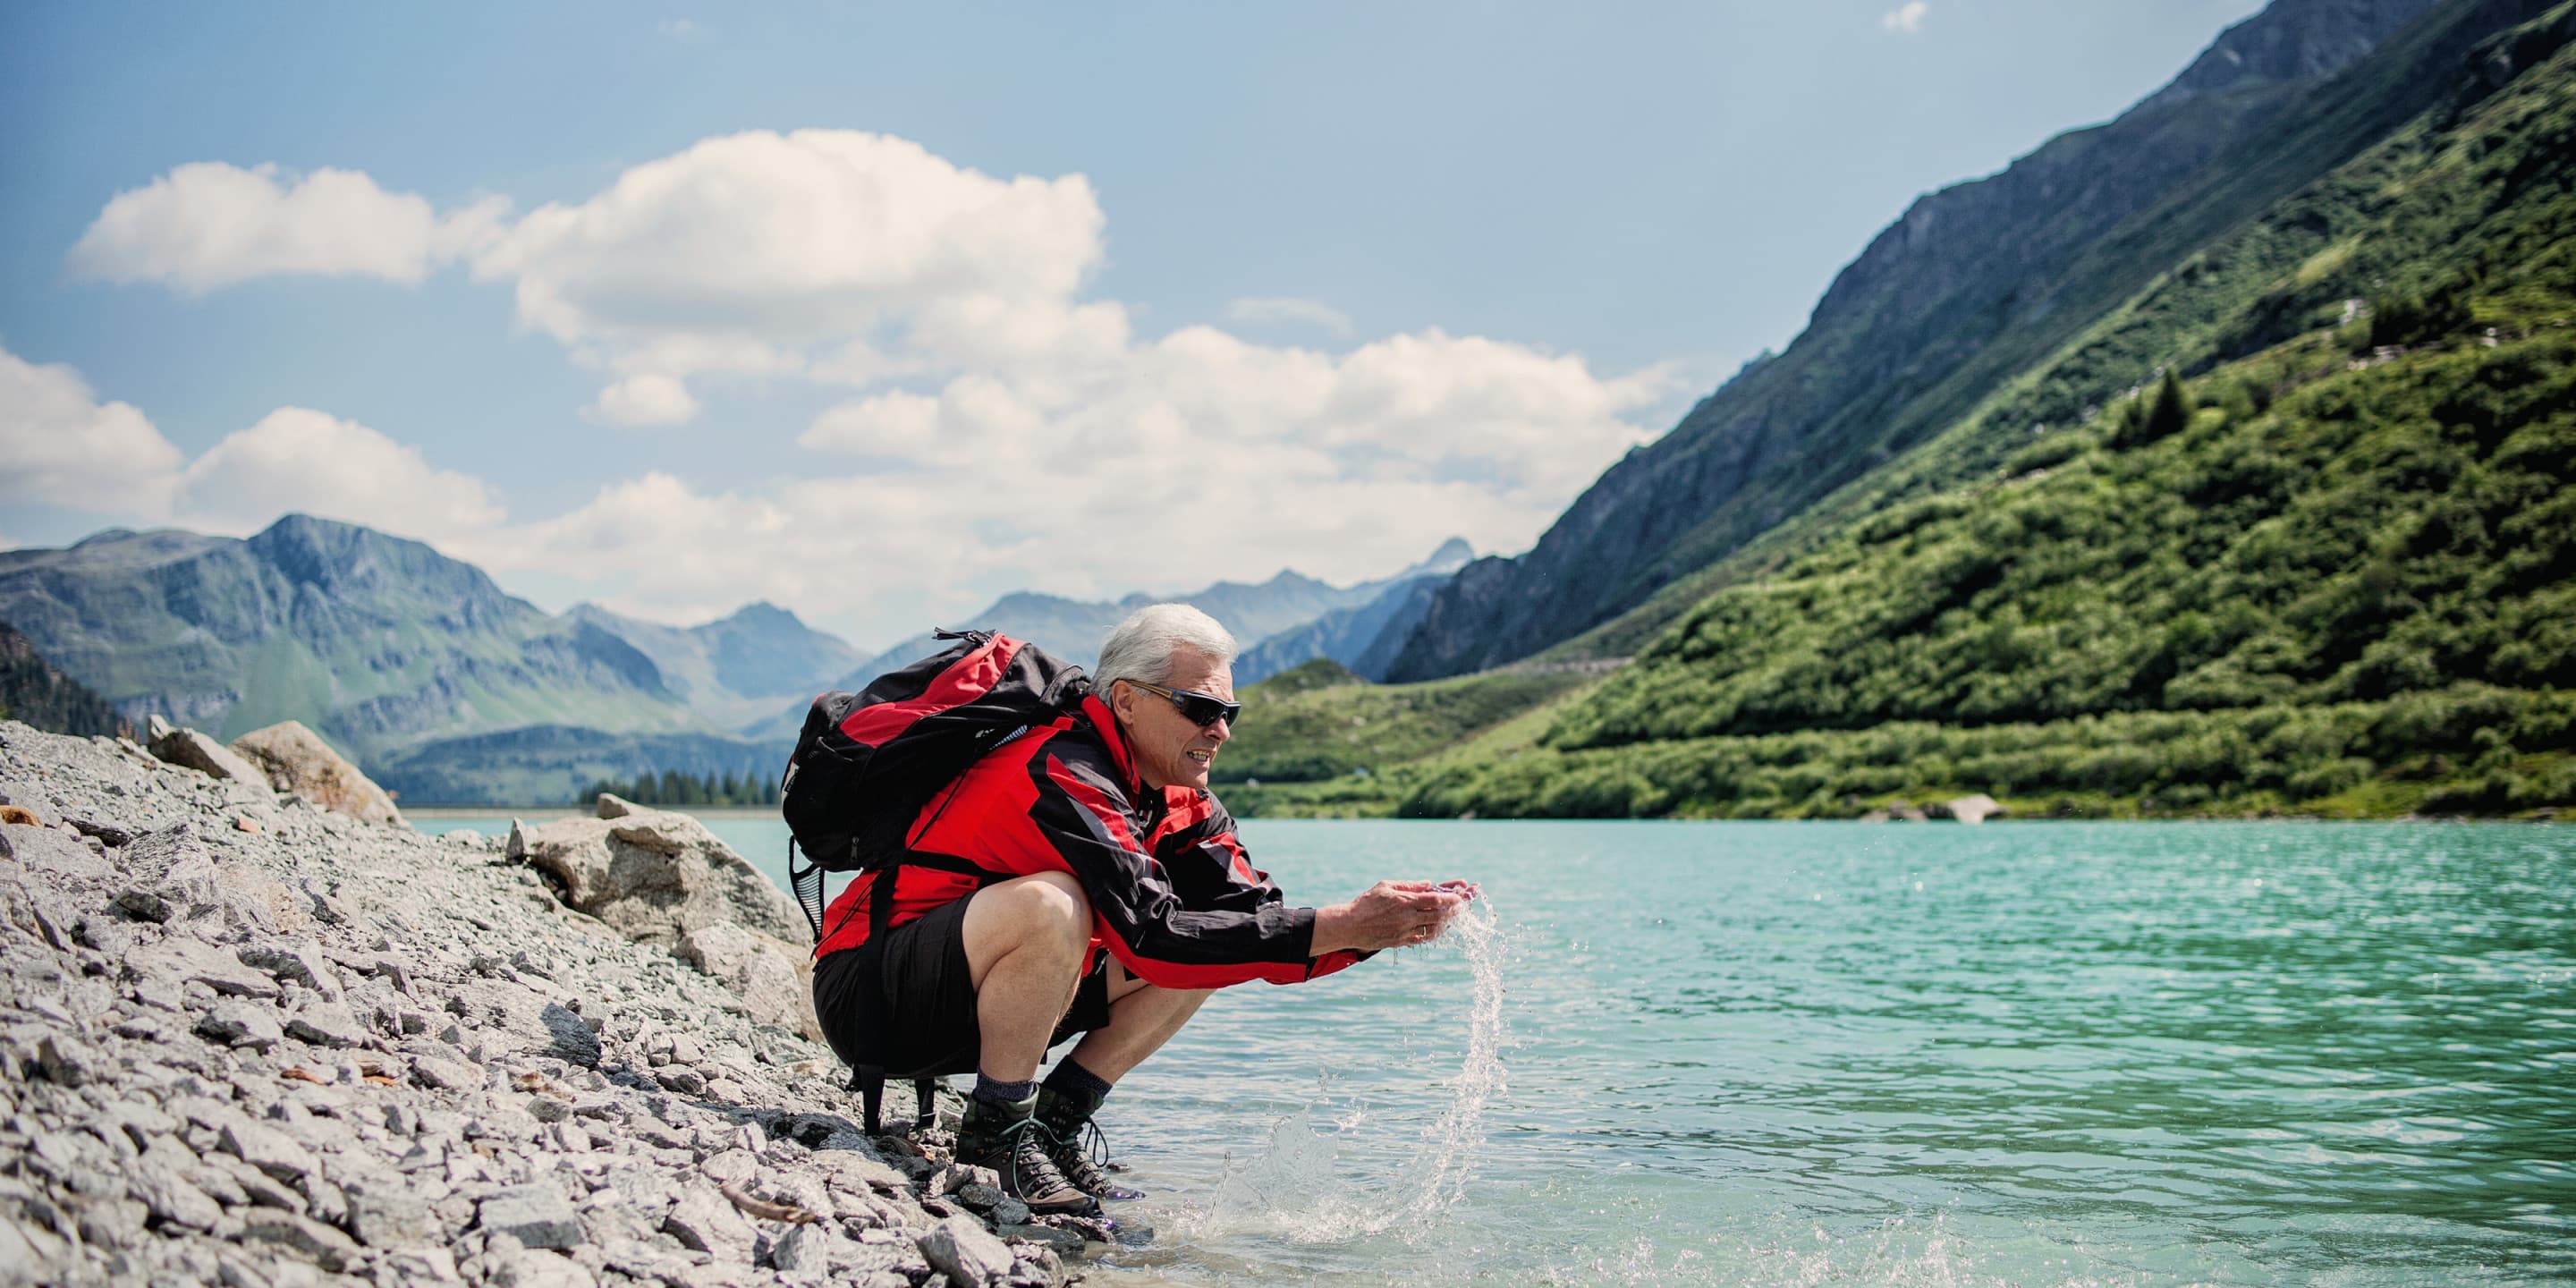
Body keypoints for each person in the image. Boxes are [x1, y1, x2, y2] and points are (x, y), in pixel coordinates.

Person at [809, 603, 1475, 1214]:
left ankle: (1053, 1126)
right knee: (1054, 906)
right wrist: (1348, 925)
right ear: (1125, 701)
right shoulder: (1063, 771)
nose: (1221, 732)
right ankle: (997, 1136)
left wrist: (1376, 931)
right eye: (1199, 709)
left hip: (973, 994)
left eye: (1228, 714)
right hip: (871, 997)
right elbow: (1154, 940)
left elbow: (1261, 928)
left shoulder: (1180, 799)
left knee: (1228, 941)